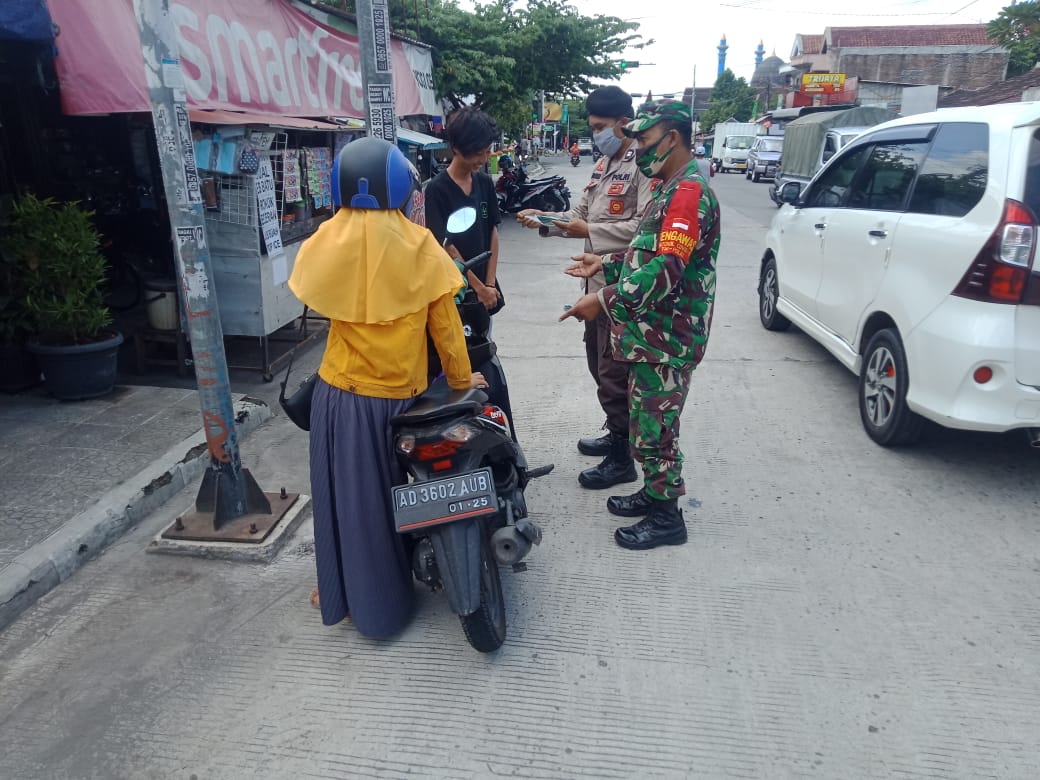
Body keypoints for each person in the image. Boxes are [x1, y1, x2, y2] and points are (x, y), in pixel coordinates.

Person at [288, 136, 485, 636]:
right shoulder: (420, 246)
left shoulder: (322, 240)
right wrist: (464, 383)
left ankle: (349, 597)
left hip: (339, 397)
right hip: (401, 398)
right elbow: (447, 332)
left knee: (349, 504)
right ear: (401, 188)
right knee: (396, 495)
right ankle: (388, 603)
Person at [560, 100, 721, 551]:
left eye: (646, 140)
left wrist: (604, 300)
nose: (640, 148)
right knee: (645, 422)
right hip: (650, 332)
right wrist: (607, 263)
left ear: (672, 138)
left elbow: (668, 267)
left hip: (668, 336)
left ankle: (668, 518)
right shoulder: (669, 189)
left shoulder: (688, 192)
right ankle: (653, 493)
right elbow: (645, 255)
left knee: (657, 430)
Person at [518, 85, 654, 491]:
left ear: (622, 122)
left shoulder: (643, 166)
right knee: (598, 363)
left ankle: (621, 458)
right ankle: (616, 434)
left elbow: (645, 228)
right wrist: (546, 219)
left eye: (599, 127)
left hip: (624, 289)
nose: (595, 134)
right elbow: (579, 213)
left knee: (615, 373)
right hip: (594, 286)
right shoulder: (603, 163)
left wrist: (589, 230)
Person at [424, 106, 503, 315]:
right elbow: (446, 246)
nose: (484, 159)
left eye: (487, 152)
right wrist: (477, 287)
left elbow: (493, 232)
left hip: (486, 291)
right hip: (454, 290)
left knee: (485, 342)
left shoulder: (485, 182)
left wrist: (490, 284)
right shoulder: (436, 189)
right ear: (457, 148)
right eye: (478, 153)